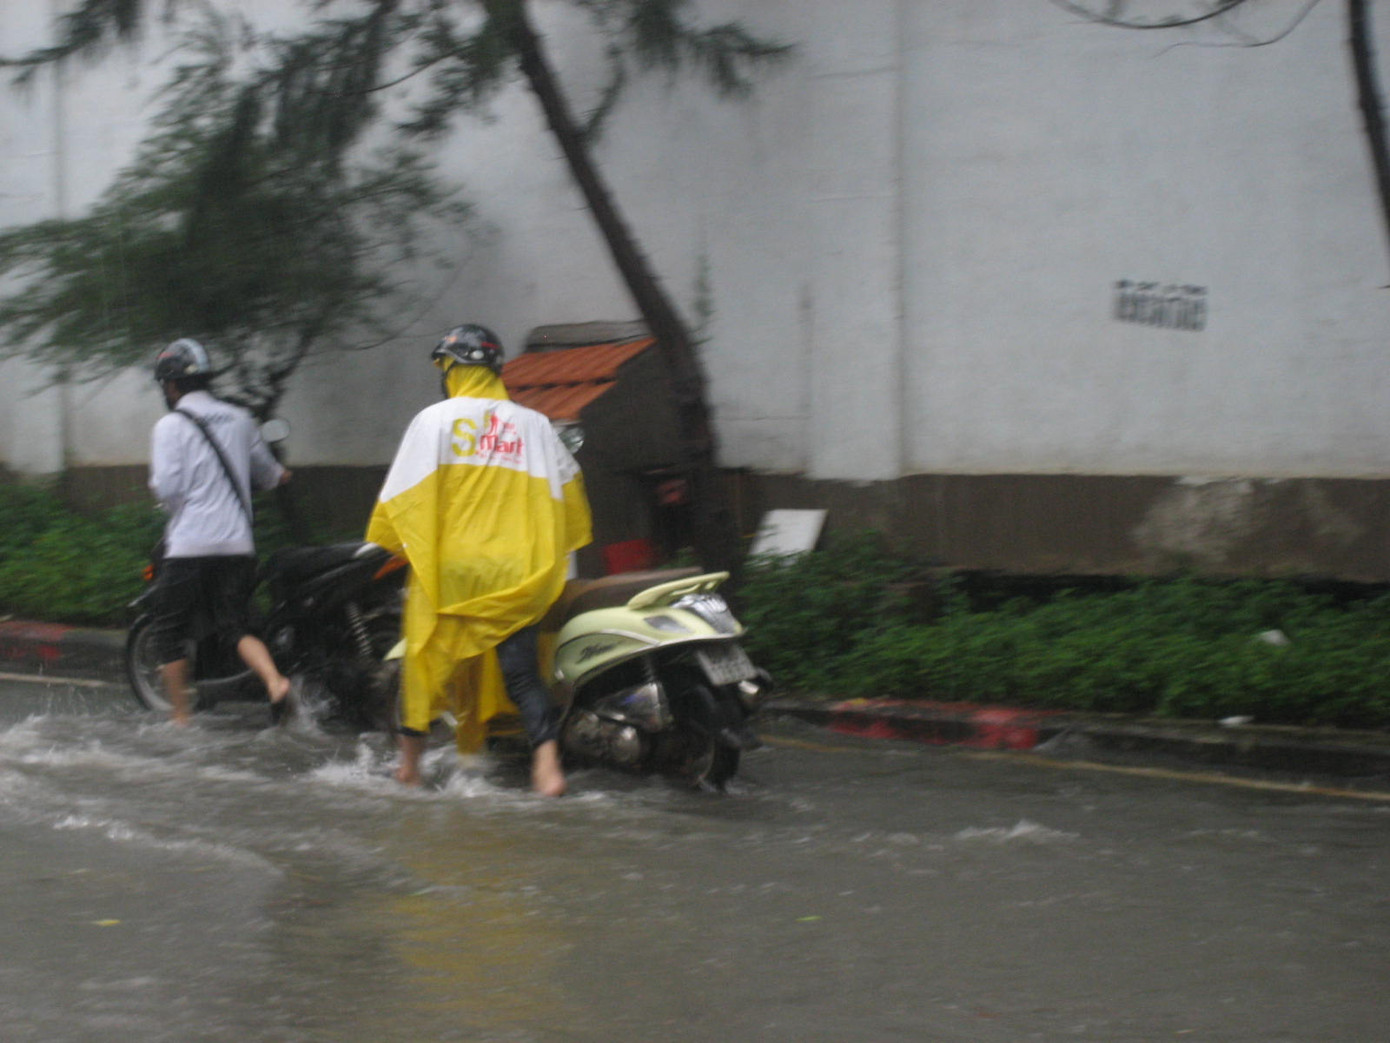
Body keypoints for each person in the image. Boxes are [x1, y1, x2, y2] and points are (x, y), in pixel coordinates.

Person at [366, 324, 592, 796]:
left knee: (424, 668)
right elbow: (570, 494)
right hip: (517, 572)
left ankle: (409, 768)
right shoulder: (535, 424)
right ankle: (547, 768)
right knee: (522, 673)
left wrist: (397, 542)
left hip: (452, 573)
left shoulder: (434, 420)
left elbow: (403, 499)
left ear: (453, 368)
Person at [147, 338, 293, 726]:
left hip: (190, 545)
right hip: (237, 544)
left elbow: (167, 489)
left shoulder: (169, 426)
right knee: (234, 625)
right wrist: (281, 476)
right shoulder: (239, 418)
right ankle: (275, 681)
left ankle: (181, 718)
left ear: (170, 385)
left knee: (168, 629)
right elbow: (268, 474)